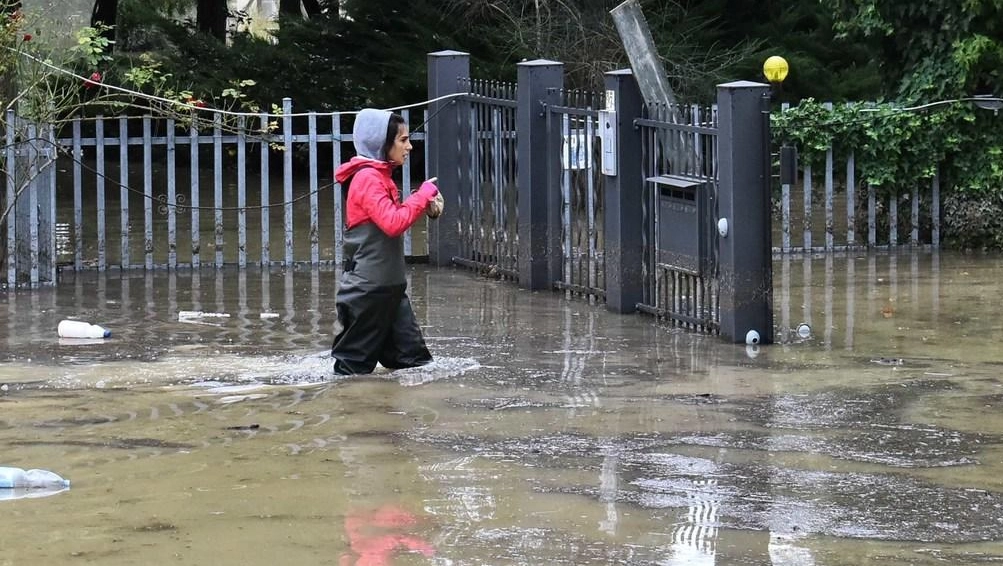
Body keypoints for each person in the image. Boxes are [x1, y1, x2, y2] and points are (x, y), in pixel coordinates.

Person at [331, 108, 441, 375]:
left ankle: (395, 415)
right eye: (403, 140)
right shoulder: (367, 178)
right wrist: (422, 196)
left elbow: (391, 218)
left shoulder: (378, 176)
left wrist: (420, 200)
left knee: (416, 367)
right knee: (350, 373)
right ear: (383, 143)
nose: (410, 146)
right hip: (368, 294)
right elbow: (393, 223)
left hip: (390, 291)